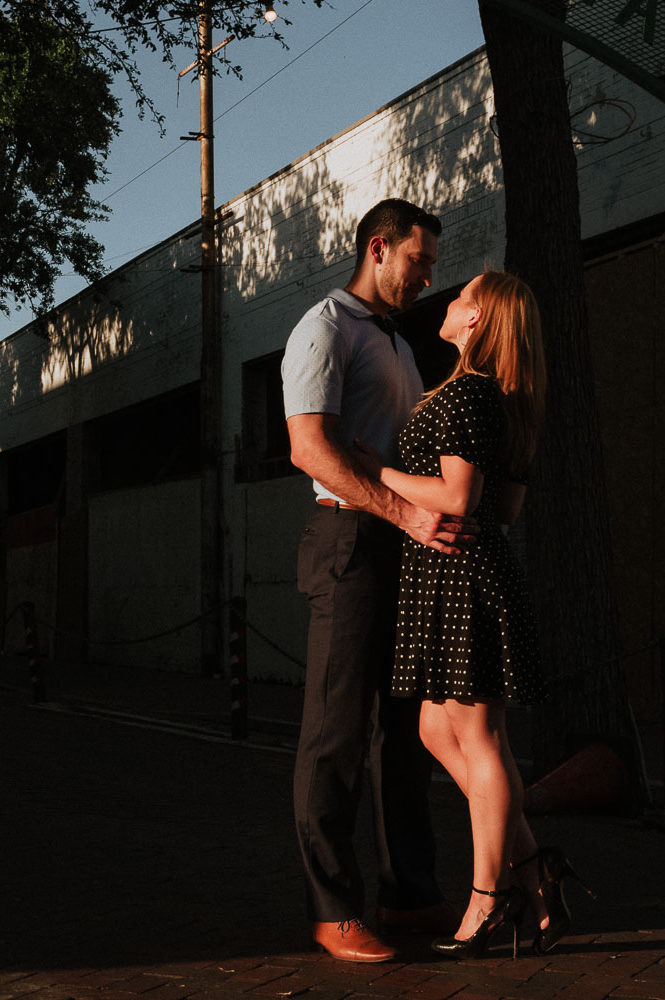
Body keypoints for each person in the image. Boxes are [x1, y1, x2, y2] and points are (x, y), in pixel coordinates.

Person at [365, 269, 591, 959]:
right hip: (458, 571)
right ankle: (534, 870)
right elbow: (508, 507)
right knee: (438, 728)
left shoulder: (467, 393)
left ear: (479, 322)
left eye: (463, 297)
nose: (451, 302)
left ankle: (488, 902)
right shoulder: (505, 400)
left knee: (480, 738)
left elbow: (459, 497)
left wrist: (376, 473)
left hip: (460, 573)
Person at [281, 198, 470, 964]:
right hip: (351, 540)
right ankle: (333, 909)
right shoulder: (324, 326)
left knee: (402, 733)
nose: (428, 277)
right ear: (378, 247)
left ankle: (411, 892)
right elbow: (310, 451)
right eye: (419, 261)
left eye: (432, 266)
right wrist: (405, 514)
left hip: (401, 539)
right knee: (335, 733)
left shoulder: (394, 341)